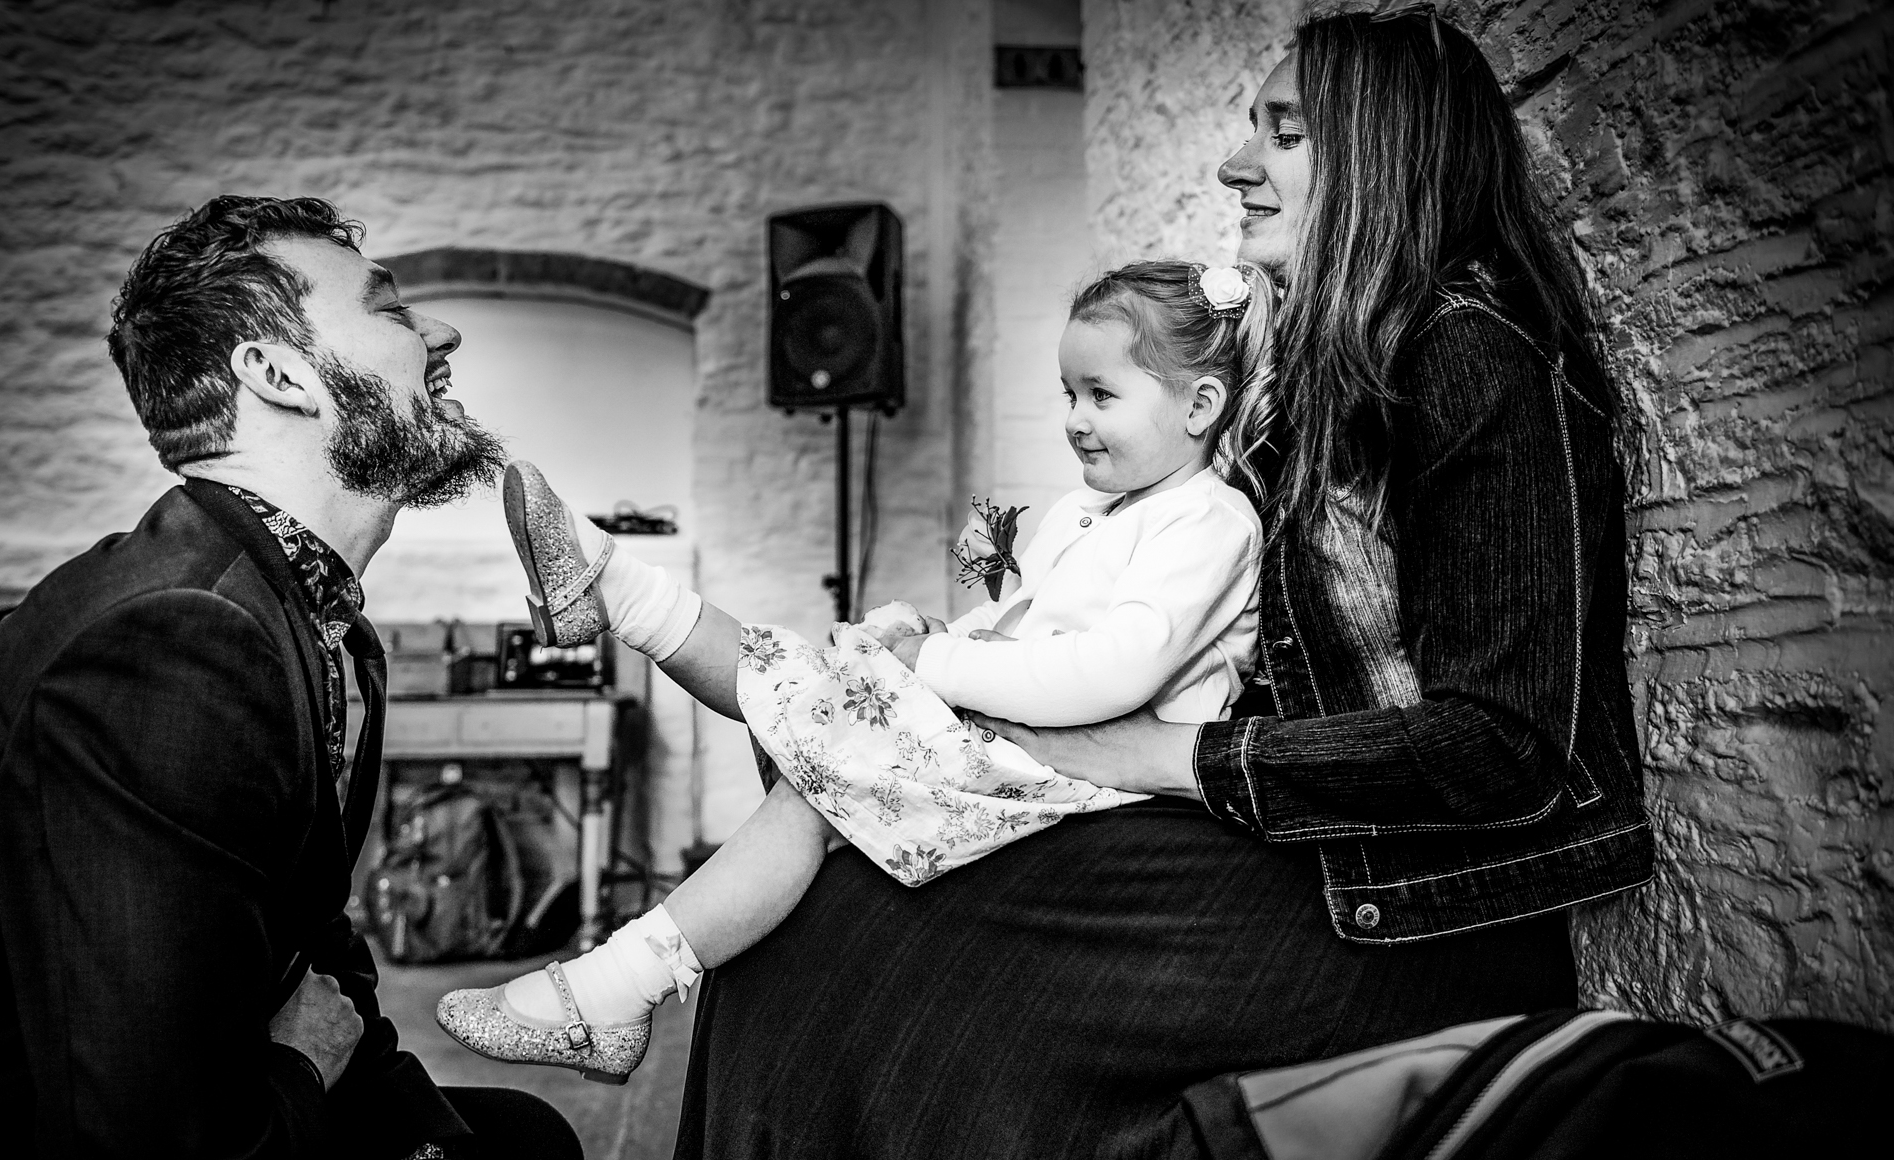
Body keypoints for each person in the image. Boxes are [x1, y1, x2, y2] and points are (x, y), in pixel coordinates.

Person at [641, 8, 1655, 1160]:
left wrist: (1162, 757)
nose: (1240, 164)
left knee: (848, 952)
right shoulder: (1324, 373)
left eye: (1282, 133)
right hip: (1299, 838)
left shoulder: (1470, 357)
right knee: (816, 933)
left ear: (1388, 157)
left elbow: (1507, 746)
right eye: (1249, 128)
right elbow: (1190, 601)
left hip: (1414, 905)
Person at [0, 195, 586, 1160]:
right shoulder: (175, 640)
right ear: (280, 374)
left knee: (519, 1150)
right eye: (394, 311)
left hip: (190, 1096)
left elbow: (314, 942)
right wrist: (307, 1066)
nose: (441, 339)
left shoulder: (307, 614)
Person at [437, 260, 1276, 1083]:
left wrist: (939, 665)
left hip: (1096, 775)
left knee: (816, 777)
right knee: (815, 682)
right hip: (1037, 741)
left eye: (1102, 395)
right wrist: (951, 633)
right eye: (1068, 394)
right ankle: (615, 598)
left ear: (1200, 405)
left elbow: (1114, 672)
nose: (1076, 419)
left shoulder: (1210, 523)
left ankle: (614, 987)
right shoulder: (1090, 509)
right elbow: (1028, 621)